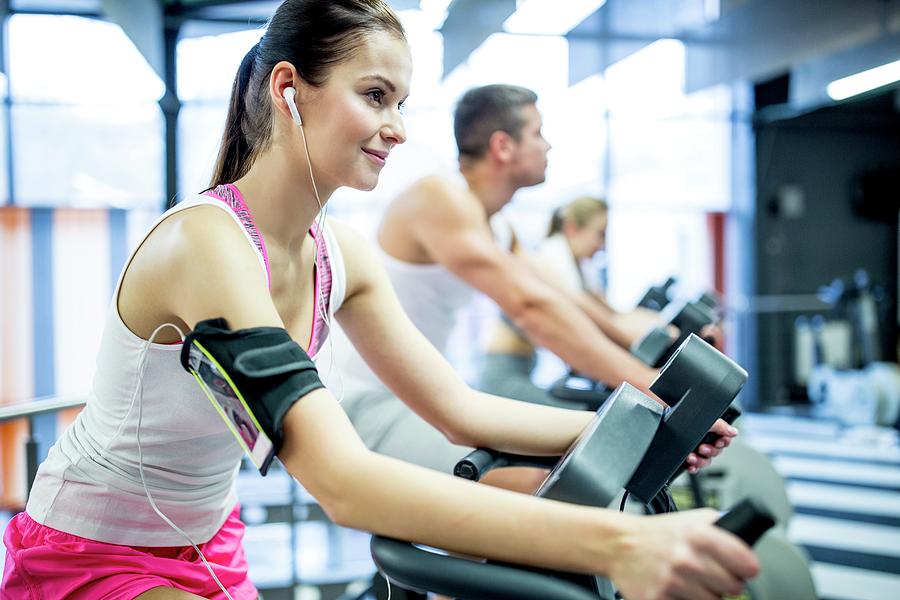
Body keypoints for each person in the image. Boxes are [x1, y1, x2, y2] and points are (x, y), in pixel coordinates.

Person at [1, 3, 758, 599]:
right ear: (289, 90)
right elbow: (342, 480)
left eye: (401, 102)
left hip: (210, 540)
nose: (397, 128)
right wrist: (621, 545)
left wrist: (640, 430)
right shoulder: (205, 246)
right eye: (375, 96)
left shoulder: (341, 253)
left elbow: (461, 409)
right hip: (91, 554)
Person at [332, 84, 733, 474]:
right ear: (503, 146)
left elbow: (559, 296)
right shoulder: (440, 197)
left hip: (420, 393)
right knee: (546, 480)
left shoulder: (499, 227)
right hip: (372, 400)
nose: (548, 146)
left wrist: (640, 338)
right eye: (538, 133)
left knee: (583, 468)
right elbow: (529, 308)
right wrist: (648, 385)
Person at [479, 195, 663, 406]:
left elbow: (608, 313)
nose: (601, 245)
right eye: (599, 234)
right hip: (503, 379)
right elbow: (583, 312)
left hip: (523, 371)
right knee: (593, 413)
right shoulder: (551, 258)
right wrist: (638, 364)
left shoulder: (576, 267)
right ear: (572, 228)